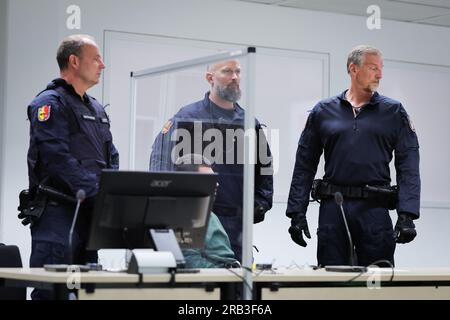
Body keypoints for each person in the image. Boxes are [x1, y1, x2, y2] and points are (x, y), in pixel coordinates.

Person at [286, 45, 420, 267]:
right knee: (332, 282)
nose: (380, 74)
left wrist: (407, 214)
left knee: (379, 282)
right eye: (372, 67)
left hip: (375, 211)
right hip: (334, 210)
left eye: (381, 68)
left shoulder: (393, 112)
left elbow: (409, 165)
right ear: (353, 69)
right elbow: (304, 164)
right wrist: (296, 212)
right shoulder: (323, 111)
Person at [23, 34, 119, 299]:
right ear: (74, 61)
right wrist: (97, 194)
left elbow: (111, 156)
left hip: (89, 215)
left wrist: (113, 194)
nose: (103, 64)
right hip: (58, 215)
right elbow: (58, 160)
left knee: (86, 292)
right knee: (52, 292)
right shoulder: (49, 103)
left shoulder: (97, 109)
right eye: (96, 58)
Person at [149, 60, 273, 261]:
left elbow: (265, 166)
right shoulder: (188, 116)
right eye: (227, 72)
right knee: (198, 285)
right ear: (210, 78)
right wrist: (166, 205)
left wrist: (261, 203)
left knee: (237, 282)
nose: (234, 77)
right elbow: (160, 158)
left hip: (237, 221)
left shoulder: (248, 122)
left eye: (238, 72)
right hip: (195, 220)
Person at [174, 154, 239, 268]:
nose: (217, 184)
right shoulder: (185, 216)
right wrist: (225, 275)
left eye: (215, 179)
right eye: (209, 179)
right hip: (214, 281)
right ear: (190, 183)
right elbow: (190, 261)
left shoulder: (206, 212)